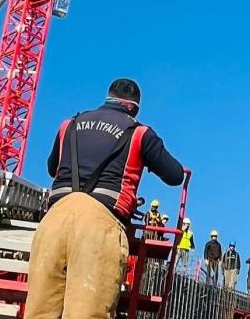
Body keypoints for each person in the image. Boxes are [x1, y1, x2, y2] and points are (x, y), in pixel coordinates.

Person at [24, 78, 184, 319]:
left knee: (39, 312)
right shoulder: (139, 133)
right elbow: (175, 175)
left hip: (53, 222)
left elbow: (52, 167)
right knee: (87, 313)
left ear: (107, 98)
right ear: (135, 108)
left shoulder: (70, 124)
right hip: (100, 225)